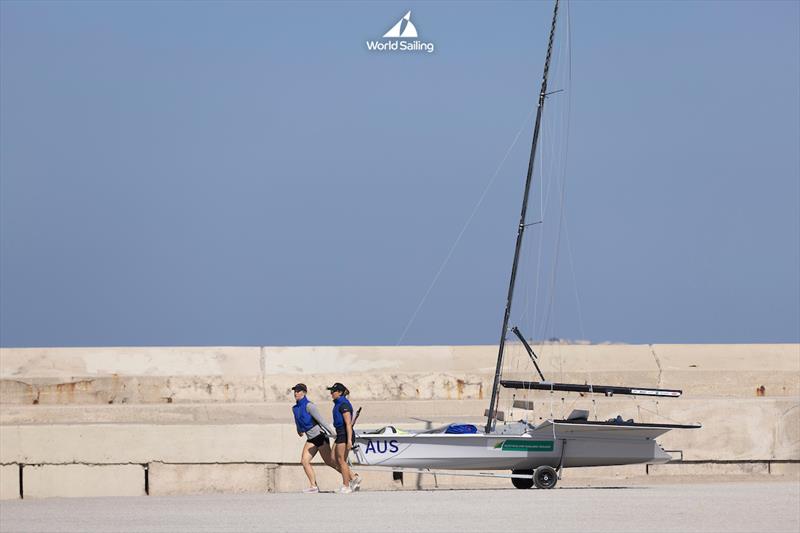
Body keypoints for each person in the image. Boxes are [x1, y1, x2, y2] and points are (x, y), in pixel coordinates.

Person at [291, 383, 340, 493]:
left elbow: (321, 421)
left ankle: (352, 477)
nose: (296, 393)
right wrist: (299, 430)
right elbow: (298, 421)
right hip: (311, 438)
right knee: (304, 461)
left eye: (298, 391)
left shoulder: (309, 406)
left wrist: (333, 434)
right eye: (295, 391)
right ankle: (313, 486)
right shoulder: (294, 408)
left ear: (304, 393)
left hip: (320, 436)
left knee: (330, 462)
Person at [328, 382, 361, 493]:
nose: (331, 393)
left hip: (345, 434)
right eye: (331, 391)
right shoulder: (337, 404)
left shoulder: (344, 405)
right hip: (339, 433)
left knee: (342, 460)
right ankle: (353, 478)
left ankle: (346, 486)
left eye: (333, 391)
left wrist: (349, 440)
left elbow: (348, 424)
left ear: (340, 392)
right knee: (332, 459)